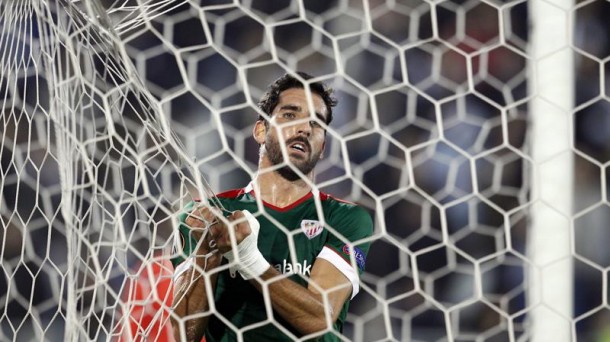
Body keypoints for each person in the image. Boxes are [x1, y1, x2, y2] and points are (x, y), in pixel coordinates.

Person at [170, 72, 373, 342]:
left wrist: (248, 258)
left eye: (316, 123)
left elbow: (319, 318)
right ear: (260, 130)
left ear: (322, 146)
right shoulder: (208, 215)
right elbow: (183, 335)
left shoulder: (345, 217)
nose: (304, 128)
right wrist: (205, 255)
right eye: (290, 115)